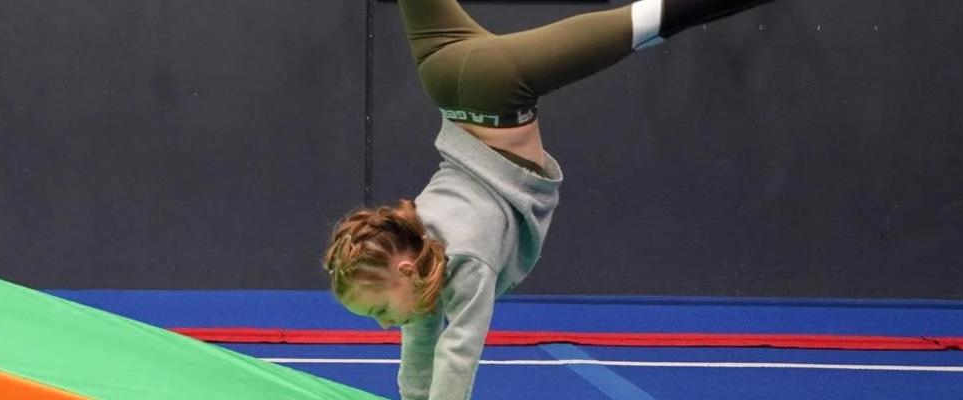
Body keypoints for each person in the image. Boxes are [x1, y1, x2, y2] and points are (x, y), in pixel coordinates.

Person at [321, 1, 775, 399]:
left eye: (378, 310)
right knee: (646, 22)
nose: (383, 325)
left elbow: (459, 353)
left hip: (491, 88)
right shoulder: (417, 257)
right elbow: (419, 349)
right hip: (442, 67)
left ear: (403, 270)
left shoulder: (466, 262)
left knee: (646, 21)